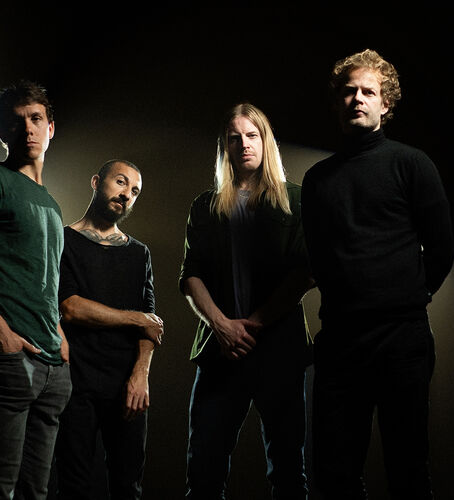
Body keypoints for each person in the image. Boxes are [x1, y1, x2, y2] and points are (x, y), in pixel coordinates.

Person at [301, 49, 454, 499]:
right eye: (349, 91)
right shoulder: (319, 179)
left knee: (407, 468)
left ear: (385, 103)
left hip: (400, 340)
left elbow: (442, 248)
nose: (357, 99)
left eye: (368, 92)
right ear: (338, 101)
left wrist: (406, 298)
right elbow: (318, 256)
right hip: (340, 341)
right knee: (335, 473)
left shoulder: (412, 163)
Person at [179, 103, 315, 500]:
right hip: (220, 352)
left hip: (279, 352)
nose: (244, 144)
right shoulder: (205, 205)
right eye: (234, 137)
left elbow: (306, 272)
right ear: (225, 146)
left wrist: (254, 323)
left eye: (252, 135)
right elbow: (190, 275)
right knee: (203, 474)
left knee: (288, 474)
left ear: (265, 141)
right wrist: (222, 326)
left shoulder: (296, 199)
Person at [0, 80, 72, 499]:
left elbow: (44, 280)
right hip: (5, 359)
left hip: (51, 366)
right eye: (16, 120)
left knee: (34, 493)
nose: (28, 128)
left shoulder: (51, 204)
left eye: (36, 118)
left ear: (50, 128)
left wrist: (58, 335)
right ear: (1, 131)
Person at [54, 159, 164, 500]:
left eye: (135, 191)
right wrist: (135, 318)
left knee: (128, 487)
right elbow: (70, 308)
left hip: (127, 385)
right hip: (76, 383)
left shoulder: (139, 253)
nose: (127, 194)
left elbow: (151, 325)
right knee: (73, 486)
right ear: (96, 181)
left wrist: (141, 374)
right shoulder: (63, 240)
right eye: (120, 182)